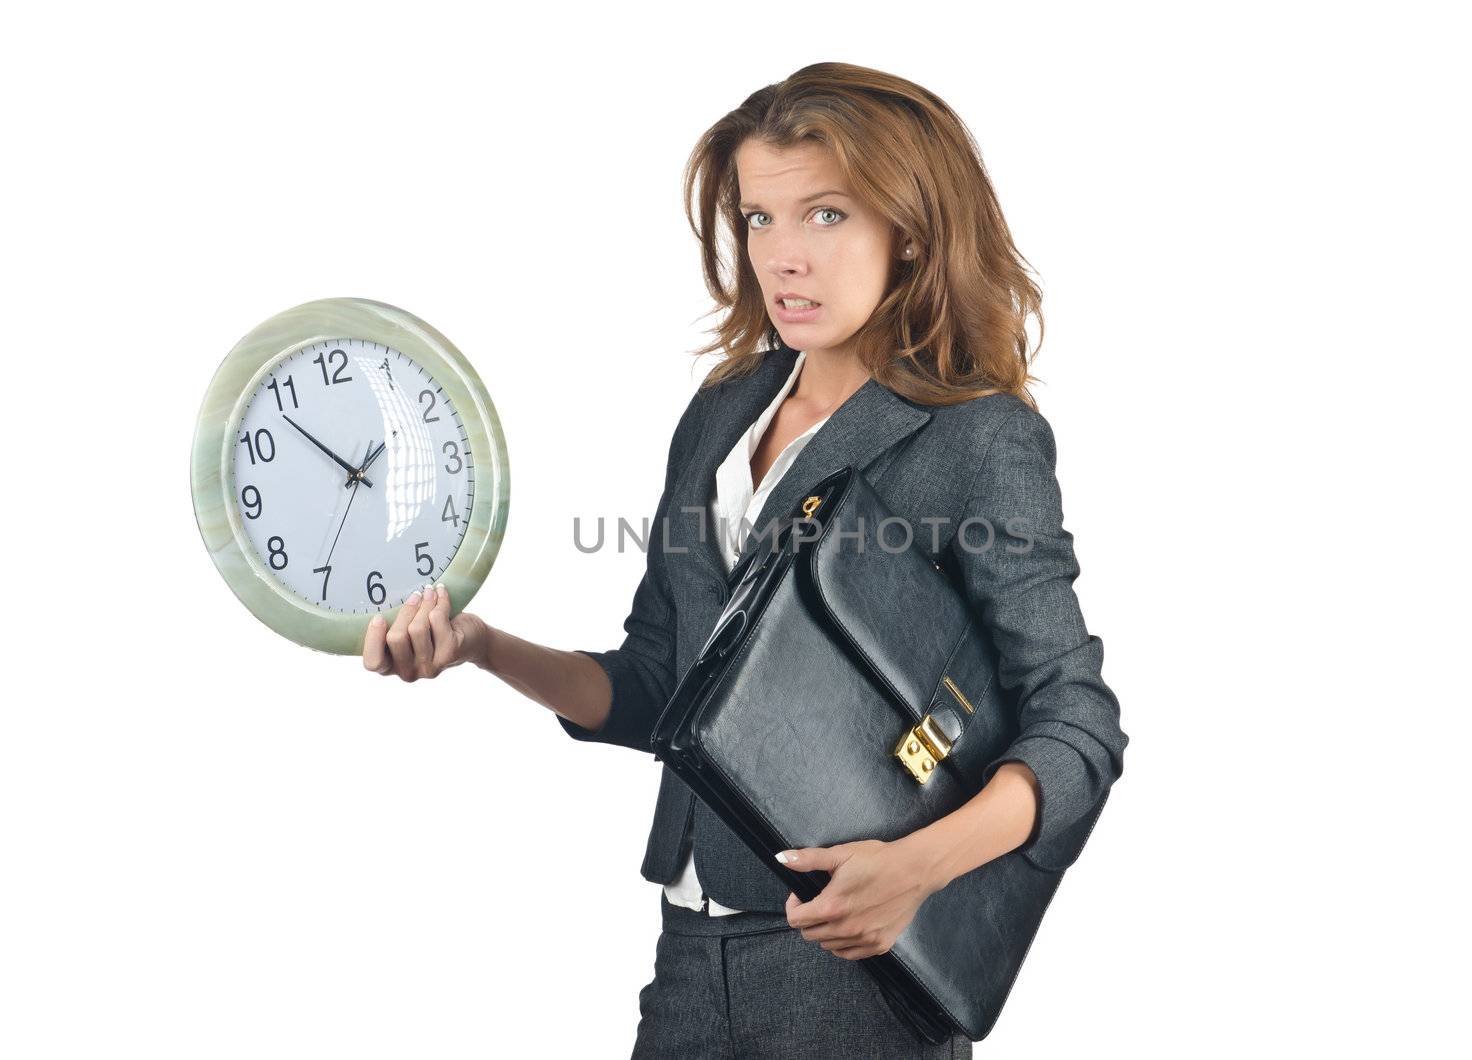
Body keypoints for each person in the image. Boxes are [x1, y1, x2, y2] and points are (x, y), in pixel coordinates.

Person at [362, 61, 1128, 1059]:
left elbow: (1077, 723)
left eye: (824, 215)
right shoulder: (721, 414)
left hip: (855, 966)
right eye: (758, 219)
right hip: (689, 953)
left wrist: (918, 869)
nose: (783, 259)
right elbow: (655, 691)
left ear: (911, 229)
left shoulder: (978, 439)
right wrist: (479, 644)